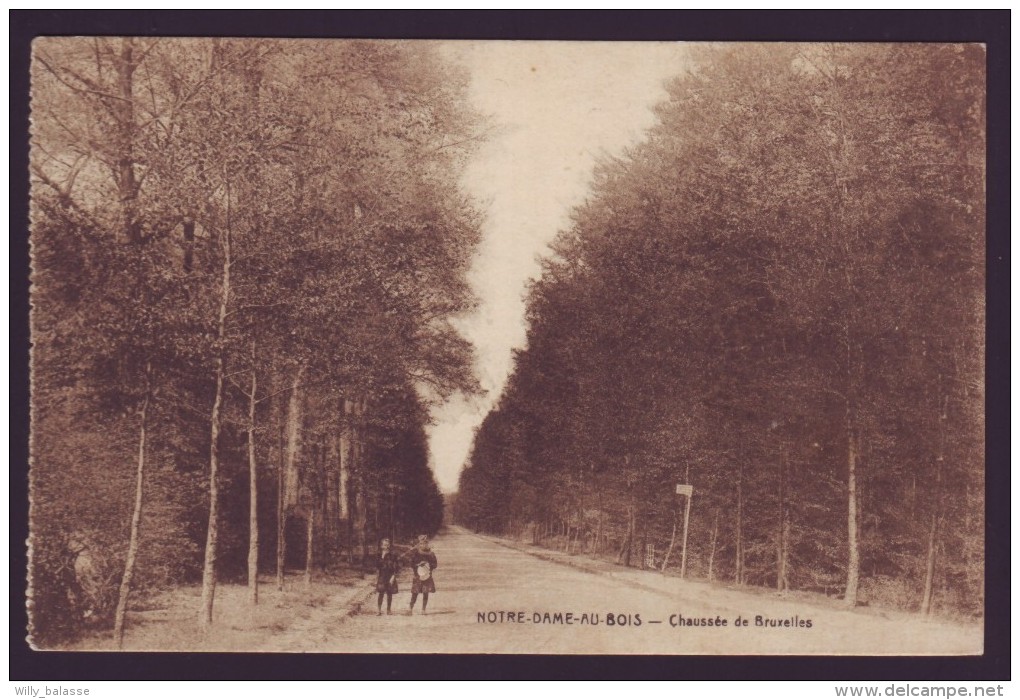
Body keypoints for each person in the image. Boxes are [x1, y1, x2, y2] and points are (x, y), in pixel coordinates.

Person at [406, 534, 438, 615]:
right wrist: (418, 565)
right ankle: (410, 609)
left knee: (425, 592)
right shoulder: (416, 553)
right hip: (417, 575)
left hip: (427, 576)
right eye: (420, 543)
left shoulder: (431, 554)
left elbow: (435, 564)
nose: (422, 545)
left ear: (427, 544)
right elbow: (411, 563)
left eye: (424, 543)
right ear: (418, 544)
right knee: (415, 593)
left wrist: (428, 565)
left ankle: (423, 610)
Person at [374, 538, 399, 615]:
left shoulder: (393, 555)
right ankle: (379, 610)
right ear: (381, 546)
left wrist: (393, 577)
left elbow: (396, 567)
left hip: (390, 576)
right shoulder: (378, 554)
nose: (386, 546)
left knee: (389, 593)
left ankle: (388, 610)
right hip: (382, 576)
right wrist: (382, 556)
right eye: (385, 545)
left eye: (388, 545)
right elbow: (377, 566)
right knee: (381, 592)